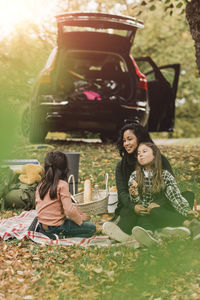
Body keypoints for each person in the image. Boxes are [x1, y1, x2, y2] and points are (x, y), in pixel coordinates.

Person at [103, 123, 195, 244]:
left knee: (187, 195)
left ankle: (156, 229)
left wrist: (157, 204)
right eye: (124, 140)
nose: (126, 143)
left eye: (130, 139)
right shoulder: (121, 166)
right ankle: (159, 228)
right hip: (135, 205)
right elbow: (122, 193)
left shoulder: (159, 159)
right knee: (129, 213)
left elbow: (171, 188)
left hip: (160, 205)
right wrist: (134, 206)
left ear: (140, 138)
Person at [35, 150, 96, 240]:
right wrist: (80, 220)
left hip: (42, 226)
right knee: (91, 228)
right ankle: (62, 236)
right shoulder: (62, 185)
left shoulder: (41, 184)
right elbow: (69, 210)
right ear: (64, 168)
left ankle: (48, 234)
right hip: (57, 227)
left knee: (70, 222)